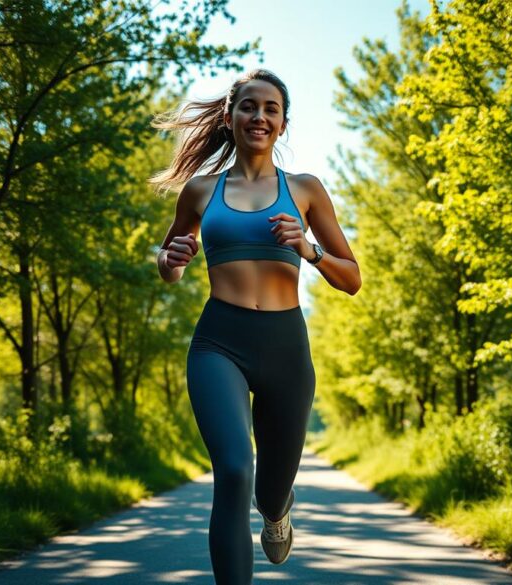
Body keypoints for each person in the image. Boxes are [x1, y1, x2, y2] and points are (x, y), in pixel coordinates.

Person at [151, 68, 361, 584]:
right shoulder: (200, 192)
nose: (259, 116)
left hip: (286, 347)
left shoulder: (306, 190)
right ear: (230, 117)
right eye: (249, 106)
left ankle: (277, 509)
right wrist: (170, 257)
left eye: (271, 109)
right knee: (235, 471)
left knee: (268, 489)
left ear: (283, 124)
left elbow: (352, 278)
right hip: (218, 342)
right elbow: (170, 263)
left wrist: (308, 250)